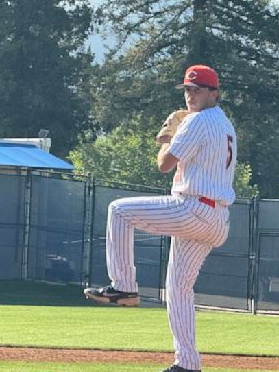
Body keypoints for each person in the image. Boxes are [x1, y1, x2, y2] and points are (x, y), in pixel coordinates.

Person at [84, 64, 237, 372]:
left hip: (194, 207)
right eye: (188, 90)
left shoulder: (197, 121)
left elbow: (164, 165)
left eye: (198, 89)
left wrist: (168, 136)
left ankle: (124, 286)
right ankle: (188, 364)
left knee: (119, 210)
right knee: (179, 288)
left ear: (214, 93)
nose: (191, 95)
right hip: (216, 218)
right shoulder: (225, 124)